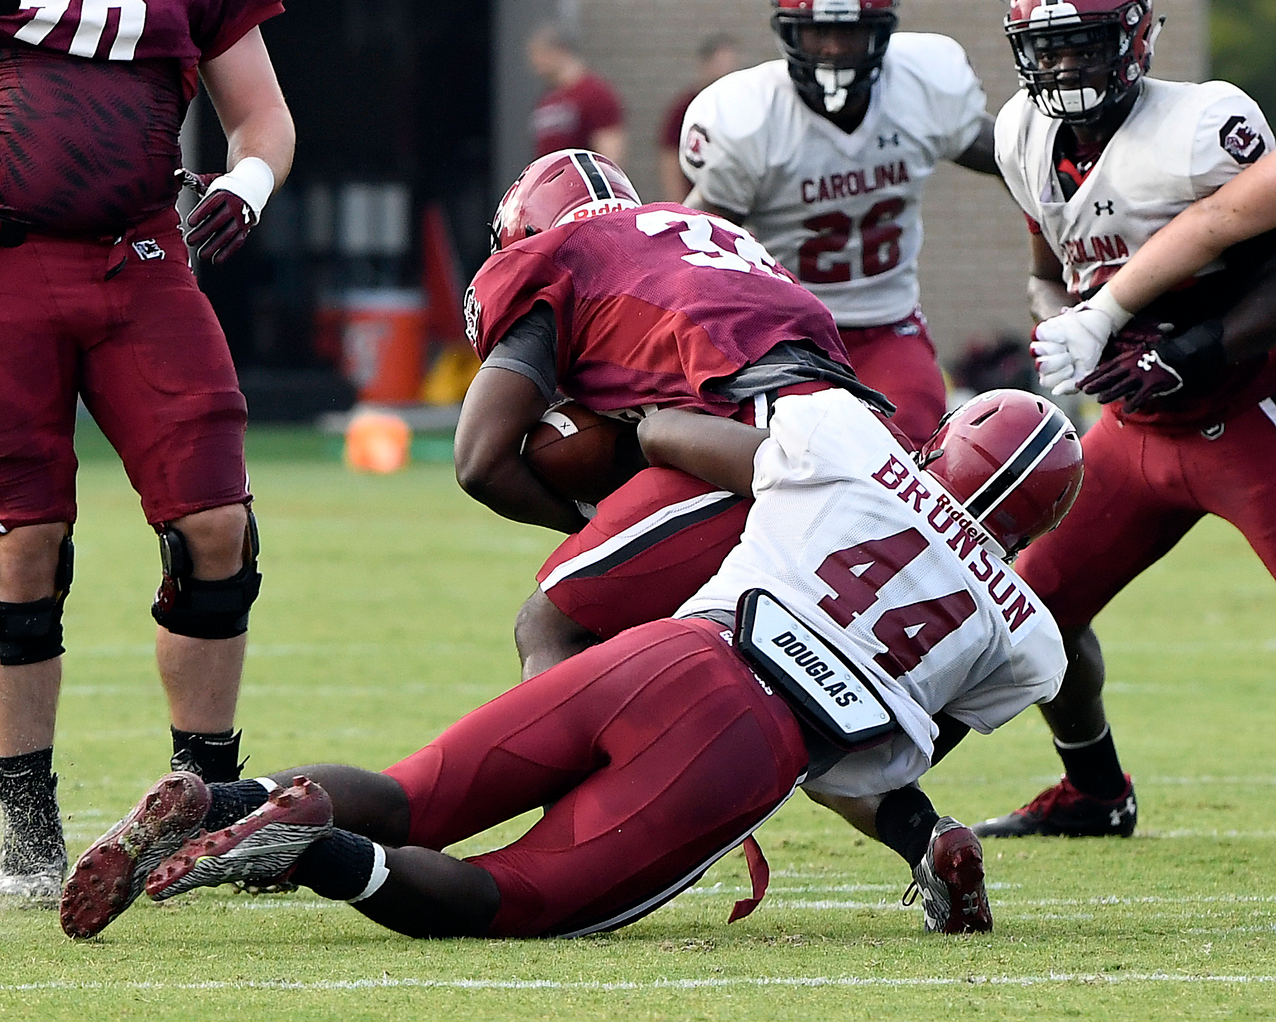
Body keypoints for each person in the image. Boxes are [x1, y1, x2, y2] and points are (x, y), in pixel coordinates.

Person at [59, 385, 1082, 942]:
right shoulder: (1025, 635)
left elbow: (675, 431)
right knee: (510, 897)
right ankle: (318, 853)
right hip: (754, 744)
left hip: (665, 649)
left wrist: (631, 435)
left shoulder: (848, 437)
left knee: (415, 793)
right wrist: (916, 829)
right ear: (1036, 526)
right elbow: (880, 767)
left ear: (942, 442)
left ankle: (223, 801)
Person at [0, 0, 295, 903]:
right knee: (21, 542)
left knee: (216, 524)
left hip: (141, 255)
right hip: (7, 262)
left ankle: (200, 805)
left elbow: (262, 115)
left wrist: (248, 184)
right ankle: (27, 828)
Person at [971, 0, 1276, 839]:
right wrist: (1058, 328)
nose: (1067, 64)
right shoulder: (1021, 134)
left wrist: (1202, 346)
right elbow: (1050, 262)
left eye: (1086, 42)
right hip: (1136, 431)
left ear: (1137, 36)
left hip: (1246, 410)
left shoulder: (1204, 126)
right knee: (1033, 615)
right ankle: (1096, 793)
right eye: (1050, 46)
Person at [454, 147, 889, 680]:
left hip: (755, 431)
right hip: (859, 430)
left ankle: (577, 739)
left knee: (551, 625)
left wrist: (584, 519)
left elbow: (479, 462)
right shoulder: (707, 233)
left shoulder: (559, 257)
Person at [679, 0, 1001, 447]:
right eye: (818, 32)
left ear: (880, 33)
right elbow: (697, 244)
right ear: (789, 33)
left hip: (887, 324)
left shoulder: (921, 88)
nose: (832, 48)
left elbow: (1016, 160)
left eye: (848, 33)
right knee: (791, 461)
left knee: (915, 452)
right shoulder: (752, 117)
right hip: (784, 331)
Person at [527, 22, 627, 165]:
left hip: (578, 176)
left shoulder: (594, 93)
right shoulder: (547, 98)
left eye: (538, 54)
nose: (534, 62)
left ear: (560, 50)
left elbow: (610, 151)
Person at [657, 33, 741, 202]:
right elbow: (670, 157)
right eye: (720, 64)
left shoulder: (741, 106)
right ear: (705, 65)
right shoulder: (686, 107)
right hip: (697, 198)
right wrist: (678, 202)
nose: (726, 70)